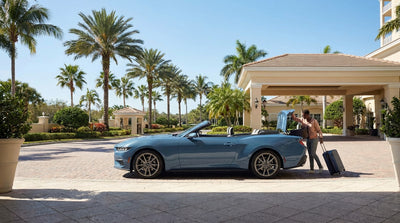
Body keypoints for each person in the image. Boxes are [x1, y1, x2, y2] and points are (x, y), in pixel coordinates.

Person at [291, 109, 324, 174]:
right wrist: (292, 113)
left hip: (314, 139)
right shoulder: (303, 120)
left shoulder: (314, 121)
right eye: (302, 115)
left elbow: (319, 130)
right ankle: (312, 169)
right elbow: (295, 118)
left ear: (308, 115)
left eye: (304, 115)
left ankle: (320, 167)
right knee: (310, 154)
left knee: (313, 153)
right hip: (308, 139)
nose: (303, 117)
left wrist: (321, 137)